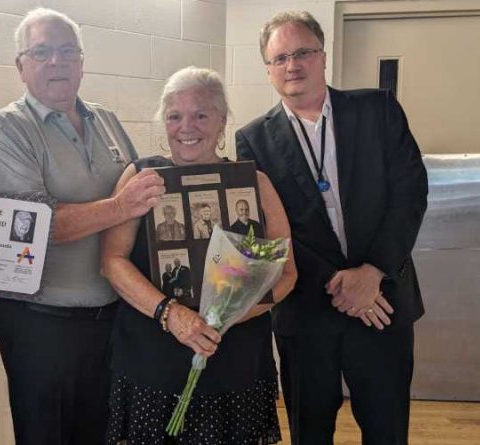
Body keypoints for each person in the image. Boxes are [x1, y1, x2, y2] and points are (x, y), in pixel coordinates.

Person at [235, 11, 428, 445]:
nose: (292, 65)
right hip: (306, 311)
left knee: (386, 429)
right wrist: (343, 286)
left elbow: (410, 194)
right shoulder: (252, 139)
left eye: (303, 52)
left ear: (323, 56)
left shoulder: (377, 109)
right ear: (268, 69)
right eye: (280, 57)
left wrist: (372, 272)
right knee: (310, 432)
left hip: (383, 303)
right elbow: (271, 230)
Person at [0, 7, 165, 444]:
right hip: (40, 324)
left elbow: (143, 209)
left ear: (82, 62)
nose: (56, 62)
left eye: (67, 51)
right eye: (41, 52)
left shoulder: (108, 121)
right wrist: (119, 206)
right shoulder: (6, 129)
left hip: (112, 318)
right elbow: (32, 226)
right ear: (20, 66)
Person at [101, 66, 297, 444]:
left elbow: (287, 274)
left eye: (200, 114)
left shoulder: (254, 183)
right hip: (151, 363)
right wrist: (171, 314)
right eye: (175, 116)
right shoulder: (140, 177)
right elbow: (112, 261)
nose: (186, 126)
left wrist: (228, 316)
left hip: (234, 362)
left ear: (222, 121)